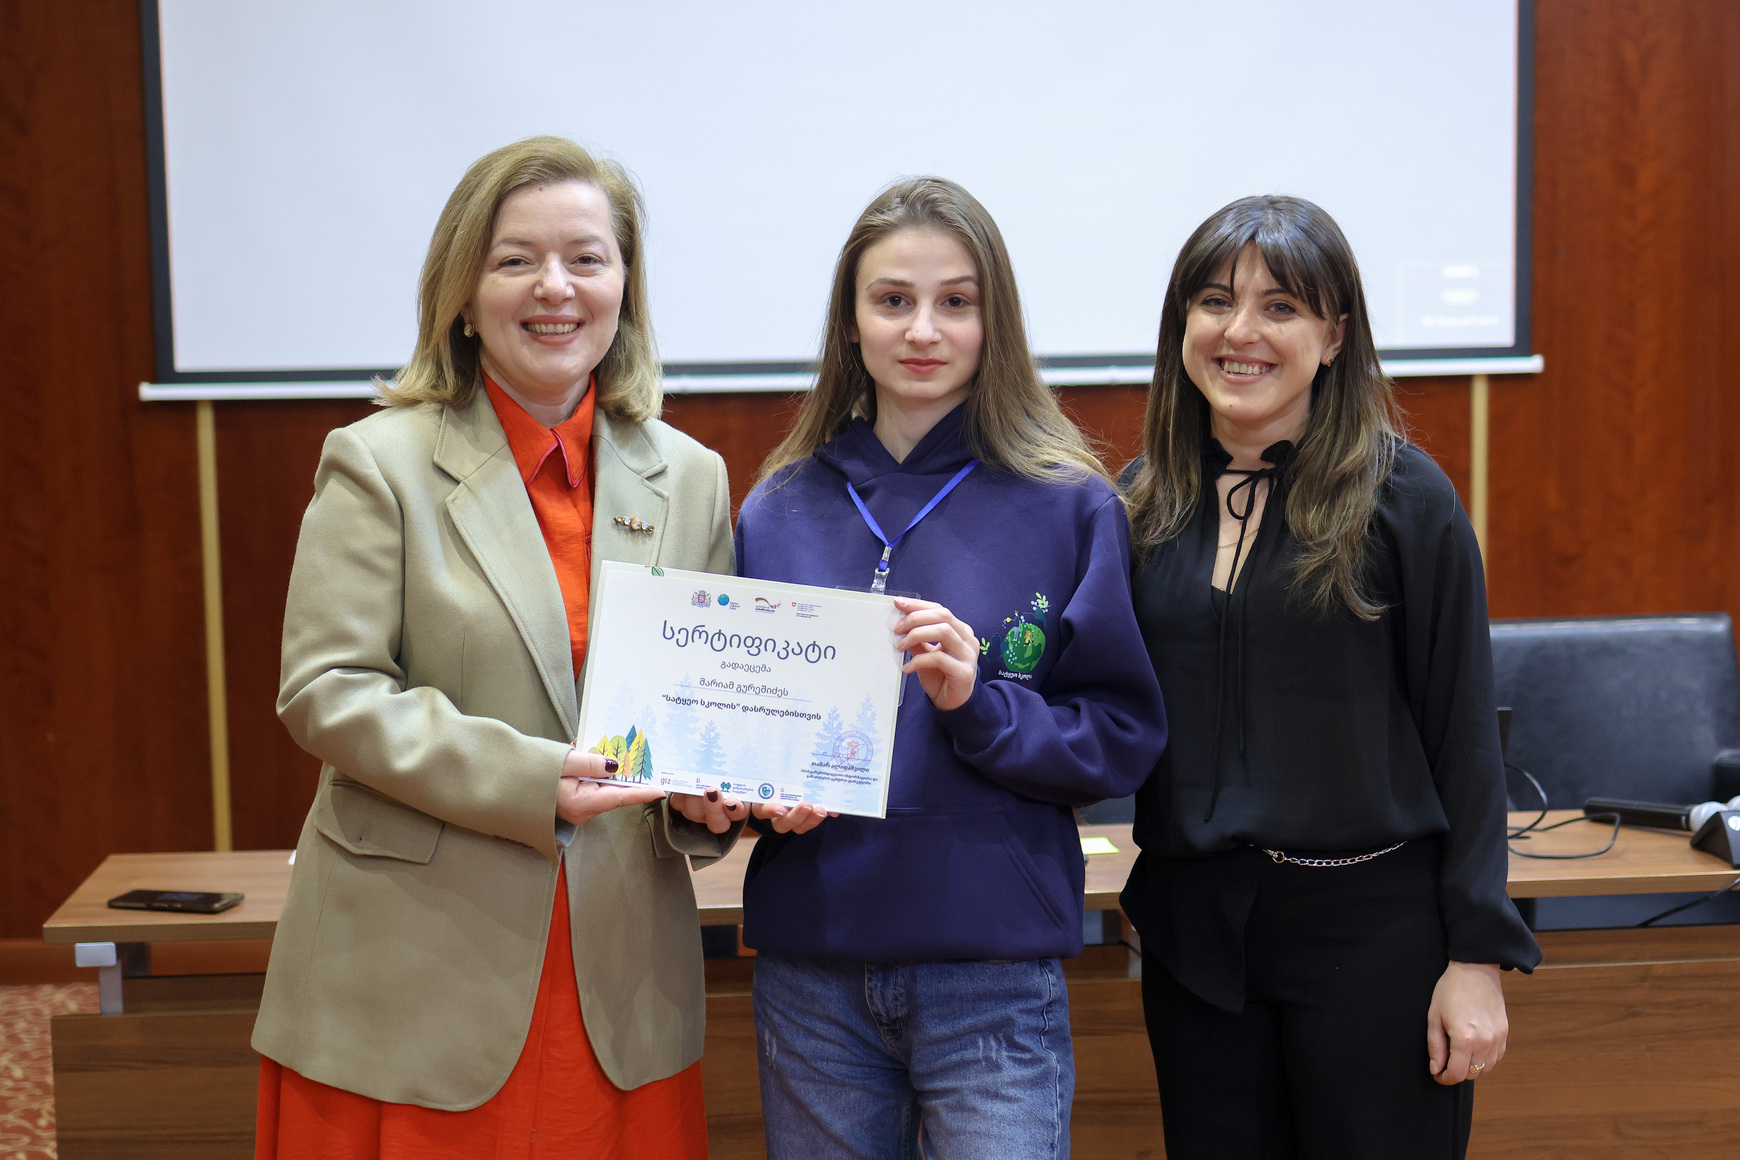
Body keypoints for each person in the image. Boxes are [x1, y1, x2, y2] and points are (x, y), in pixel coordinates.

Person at [251, 136, 742, 1160]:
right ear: (464, 296)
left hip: (619, 979)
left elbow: (691, 708)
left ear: (624, 288)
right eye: (517, 259)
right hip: (418, 967)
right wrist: (529, 778)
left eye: (586, 258)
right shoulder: (377, 462)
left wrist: (708, 796)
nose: (555, 287)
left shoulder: (691, 477)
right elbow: (326, 689)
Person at [711, 176, 1167, 1160]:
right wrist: (756, 794)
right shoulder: (777, 507)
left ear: (994, 323)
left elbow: (1119, 739)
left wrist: (980, 704)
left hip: (991, 972)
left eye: (956, 301)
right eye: (893, 300)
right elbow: (739, 730)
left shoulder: (1070, 503)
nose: (923, 329)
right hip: (814, 968)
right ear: (850, 323)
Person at [1118, 194, 1542, 1159]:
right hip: (1196, 941)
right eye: (1215, 301)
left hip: (1376, 933)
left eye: (1281, 307)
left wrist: (1476, 956)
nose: (1241, 331)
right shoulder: (1140, 503)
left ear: (1335, 335)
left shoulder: (1406, 498)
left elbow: (1464, 737)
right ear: (1181, 323)